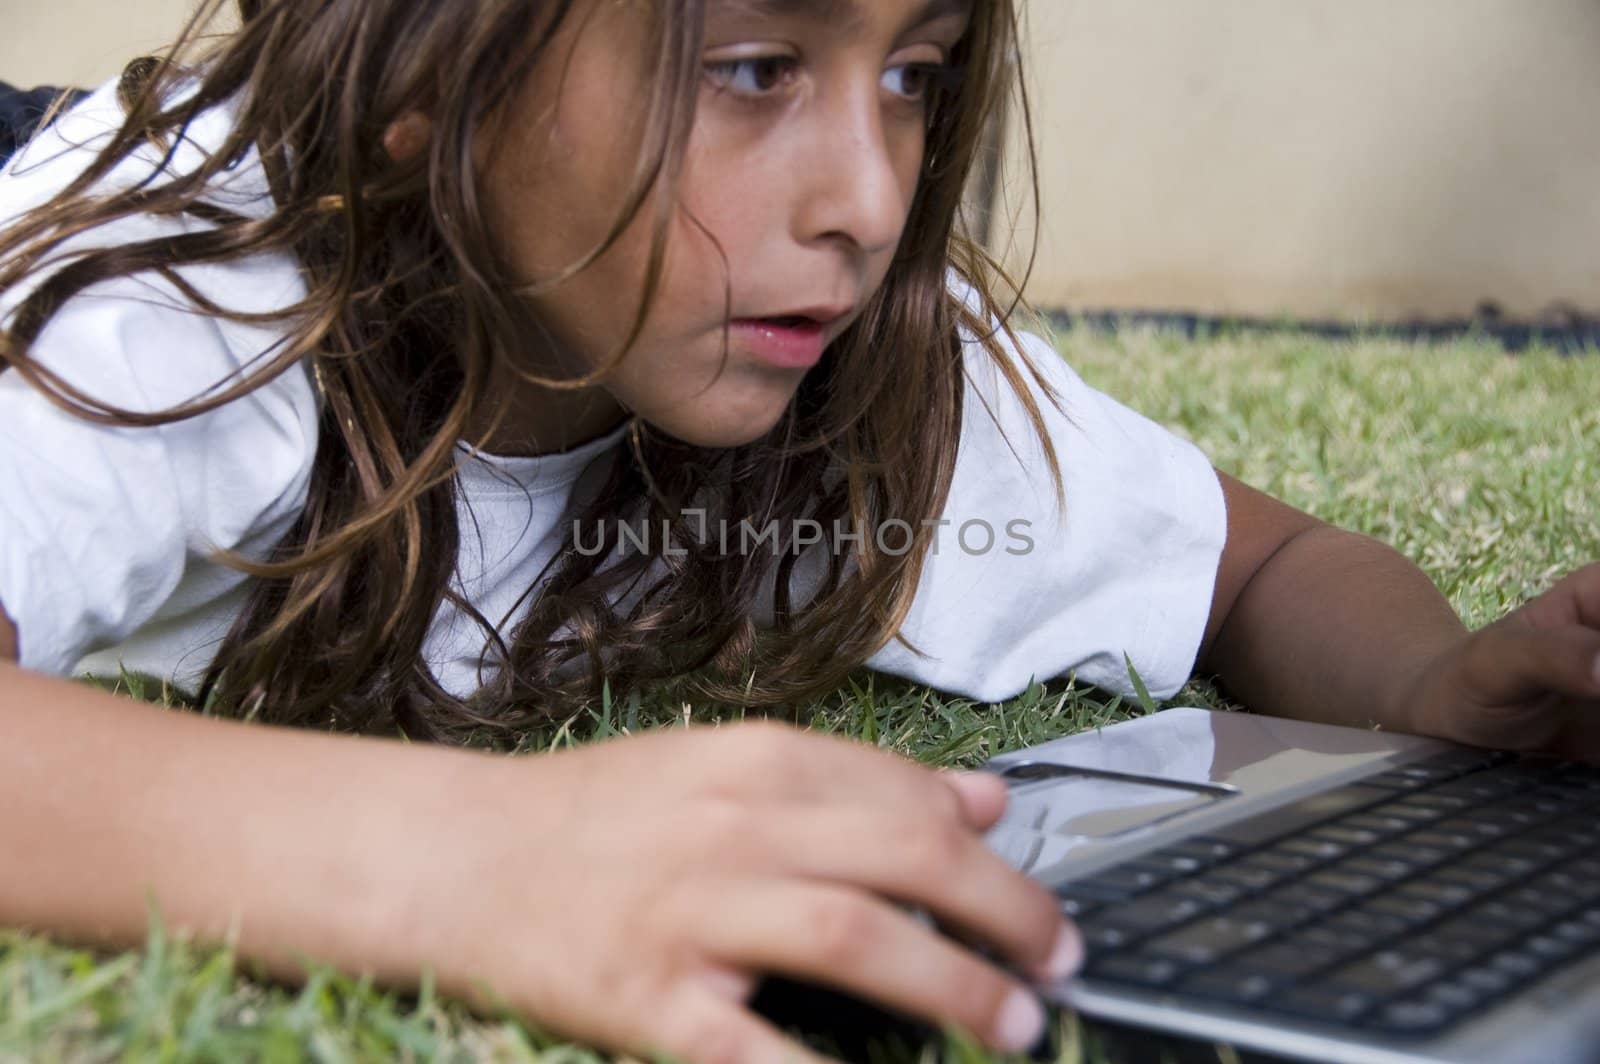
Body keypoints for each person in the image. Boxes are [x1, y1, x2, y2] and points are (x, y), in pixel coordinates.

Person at [2, 1, 1598, 1060]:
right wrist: (466, 857)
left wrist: (1432, 692)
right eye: (756, 67)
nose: (871, 198)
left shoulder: (845, 351)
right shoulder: (178, 298)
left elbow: (1257, 565)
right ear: (433, 70)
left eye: (914, 74)